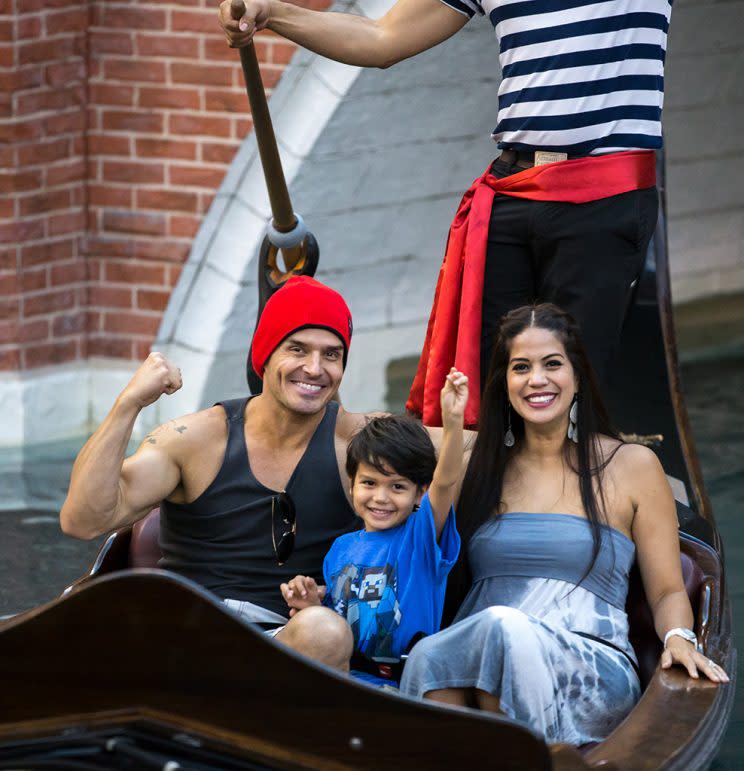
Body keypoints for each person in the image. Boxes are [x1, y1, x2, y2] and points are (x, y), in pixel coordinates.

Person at [219, 0, 667, 426]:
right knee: (482, 381)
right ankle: (477, 492)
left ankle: (569, 496)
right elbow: (382, 38)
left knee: (573, 386)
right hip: (512, 189)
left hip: (604, 196)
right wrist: (272, 14)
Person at [397, 304, 729, 745]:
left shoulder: (631, 465)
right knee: (428, 654)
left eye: (552, 364)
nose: (537, 380)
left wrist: (680, 638)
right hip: (476, 661)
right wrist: (453, 428)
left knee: (504, 628)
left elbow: (667, 589)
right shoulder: (479, 462)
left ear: (576, 376)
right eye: (521, 367)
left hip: (590, 667)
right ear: (504, 383)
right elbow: (423, 540)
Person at [61, 276, 377, 670]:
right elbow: (83, 520)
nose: (314, 369)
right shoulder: (192, 439)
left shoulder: (364, 440)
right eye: (297, 349)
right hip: (186, 635)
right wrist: (129, 404)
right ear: (265, 354)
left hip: (288, 642)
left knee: (325, 631)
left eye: (331, 355)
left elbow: (468, 451)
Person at [280, 369, 466, 685]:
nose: (380, 498)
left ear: (420, 493)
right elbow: (334, 627)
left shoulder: (419, 538)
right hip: (338, 678)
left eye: (397, 487)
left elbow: (446, 480)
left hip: (396, 687)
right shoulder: (340, 549)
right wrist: (310, 605)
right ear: (352, 484)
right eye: (369, 482)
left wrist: (453, 424)